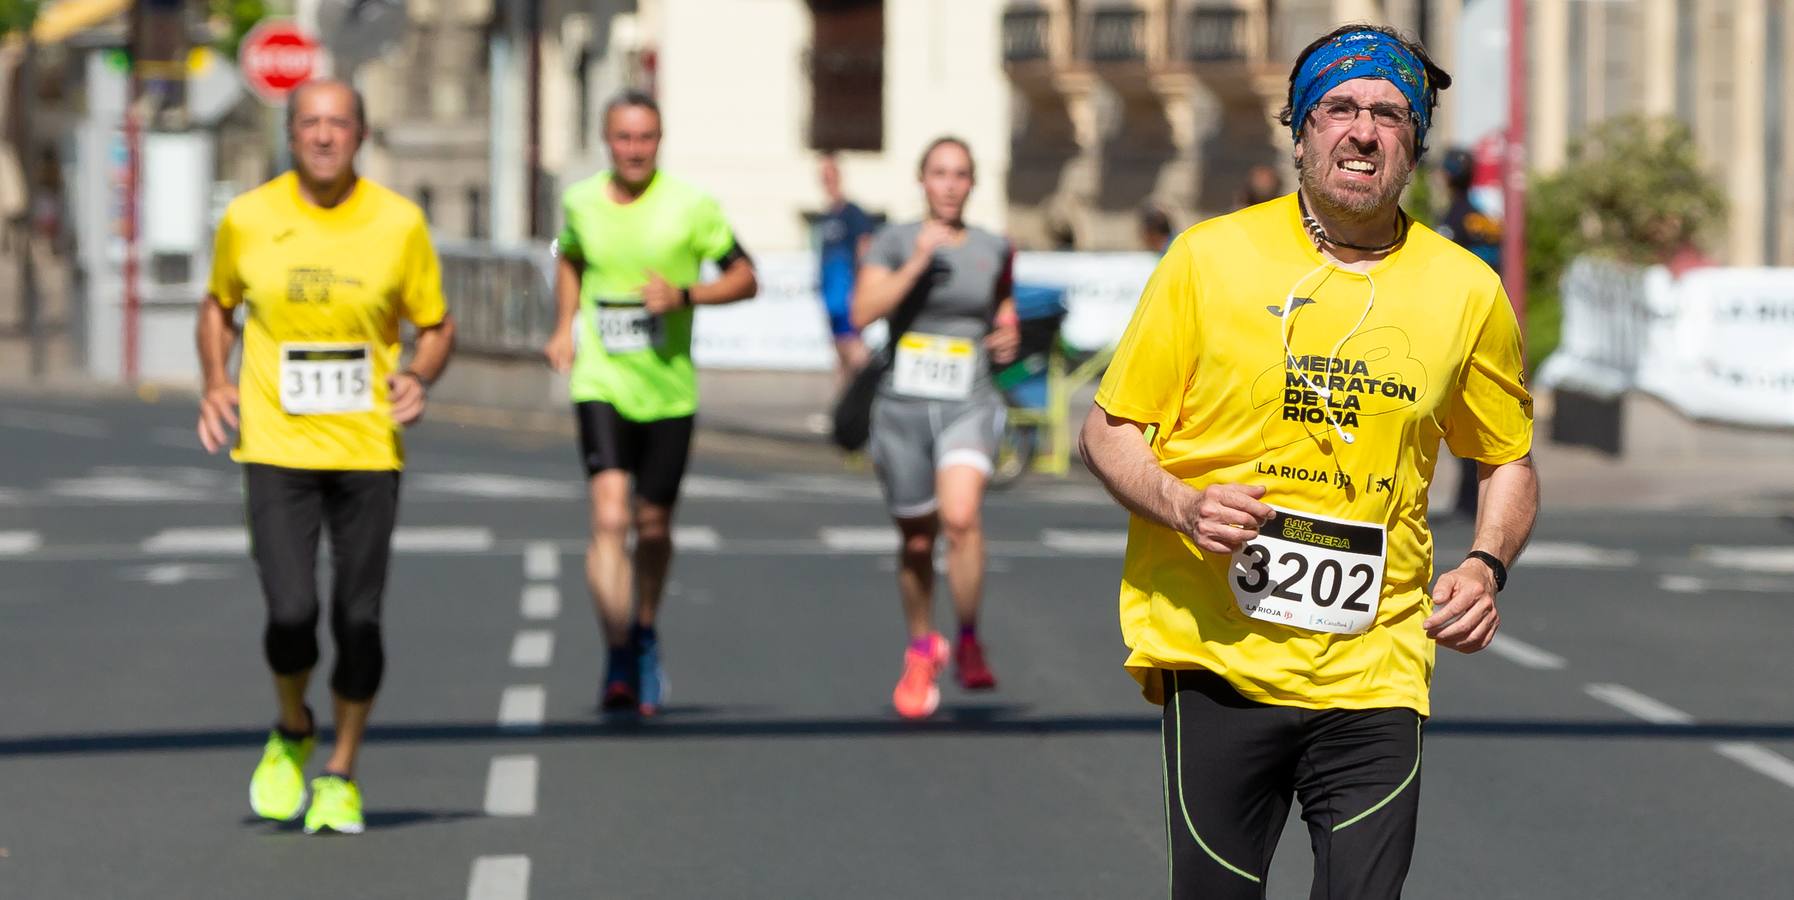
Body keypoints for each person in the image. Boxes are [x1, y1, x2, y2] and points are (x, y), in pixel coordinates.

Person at [1078, 25, 1539, 898]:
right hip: (1219, 659)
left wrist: (1487, 564)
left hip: (1378, 667)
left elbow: (1507, 460)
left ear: (1414, 145)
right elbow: (1108, 431)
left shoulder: (1465, 291)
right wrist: (1182, 505)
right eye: (1339, 108)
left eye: (1390, 115)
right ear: (1301, 131)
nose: (1362, 131)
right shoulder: (1207, 261)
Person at [196, 79, 457, 835]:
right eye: (309, 122)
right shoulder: (249, 217)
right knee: (292, 612)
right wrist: (216, 379)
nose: (322, 136)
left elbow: (436, 324)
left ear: (361, 136)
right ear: (291, 134)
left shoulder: (399, 223)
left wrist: (419, 374)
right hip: (276, 445)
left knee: (358, 618)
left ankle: (340, 770)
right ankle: (291, 724)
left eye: (338, 123)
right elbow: (218, 304)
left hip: (367, 448)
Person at [543, 91, 758, 717]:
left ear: (659, 142)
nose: (634, 150)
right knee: (609, 519)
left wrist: (687, 295)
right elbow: (567, 254)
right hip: (601, 381)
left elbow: (746, 277)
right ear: (607, 141)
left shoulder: (692, 207)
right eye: (623, 138)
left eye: (645, 138)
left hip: (668, 390)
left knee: (652, 526)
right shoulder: (580, 202)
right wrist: (563, 326)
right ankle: (615, 650)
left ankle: (643, 626)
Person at [851, 137, 1020, 719]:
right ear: (922, 181)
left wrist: (1007, 334)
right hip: (901, 408)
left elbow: (1002, 310)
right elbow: (861, 310)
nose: (950, 184)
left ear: (972, 184)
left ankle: (969, 636)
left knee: (961, 517)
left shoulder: (994, 247)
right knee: (917, 539)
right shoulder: (895, 240)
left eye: (960, 175)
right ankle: (923, 643)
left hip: (967, 401)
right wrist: (920, 260)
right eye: (939, 174)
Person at [1436, 147, 1503, 518]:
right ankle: (1472, 497)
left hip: (1461, 320)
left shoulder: (1453, 217)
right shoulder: (1486, 216)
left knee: (1457, 415)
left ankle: (1467, 499)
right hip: (1493, 316)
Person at [815, 153, 877, 389]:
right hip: (831, 295)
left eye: (831, 175)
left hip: (848, 294)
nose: (827, 181)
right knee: (840, 353)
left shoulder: (853, 213)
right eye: (823, 177)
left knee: (855, 351)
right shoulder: (828, 215)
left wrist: (861, 288)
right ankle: (844, 411)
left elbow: (865, 249)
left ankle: (866, 399)